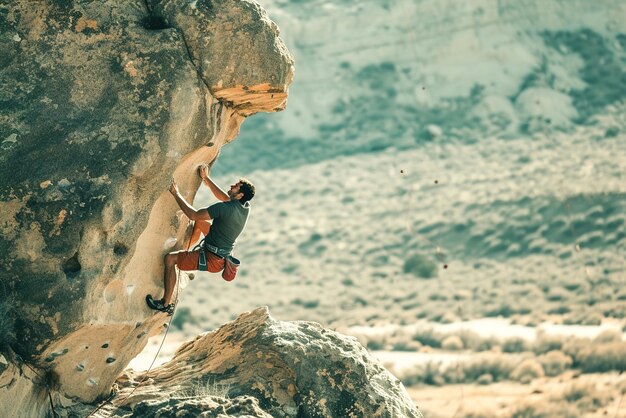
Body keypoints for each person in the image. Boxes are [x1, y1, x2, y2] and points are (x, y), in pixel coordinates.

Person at [146, 163, 255, 315]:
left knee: (170, 259)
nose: (232, 185)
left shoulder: (224, 209)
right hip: (220, 253)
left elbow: (193, 215)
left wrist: (175, 193)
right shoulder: (245, 206)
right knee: (201, 223)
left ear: (240, 195)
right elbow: (224, 197)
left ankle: (165, 304)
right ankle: (188, 249)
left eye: (236, 186)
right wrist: (206, 178)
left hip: (211, 258)